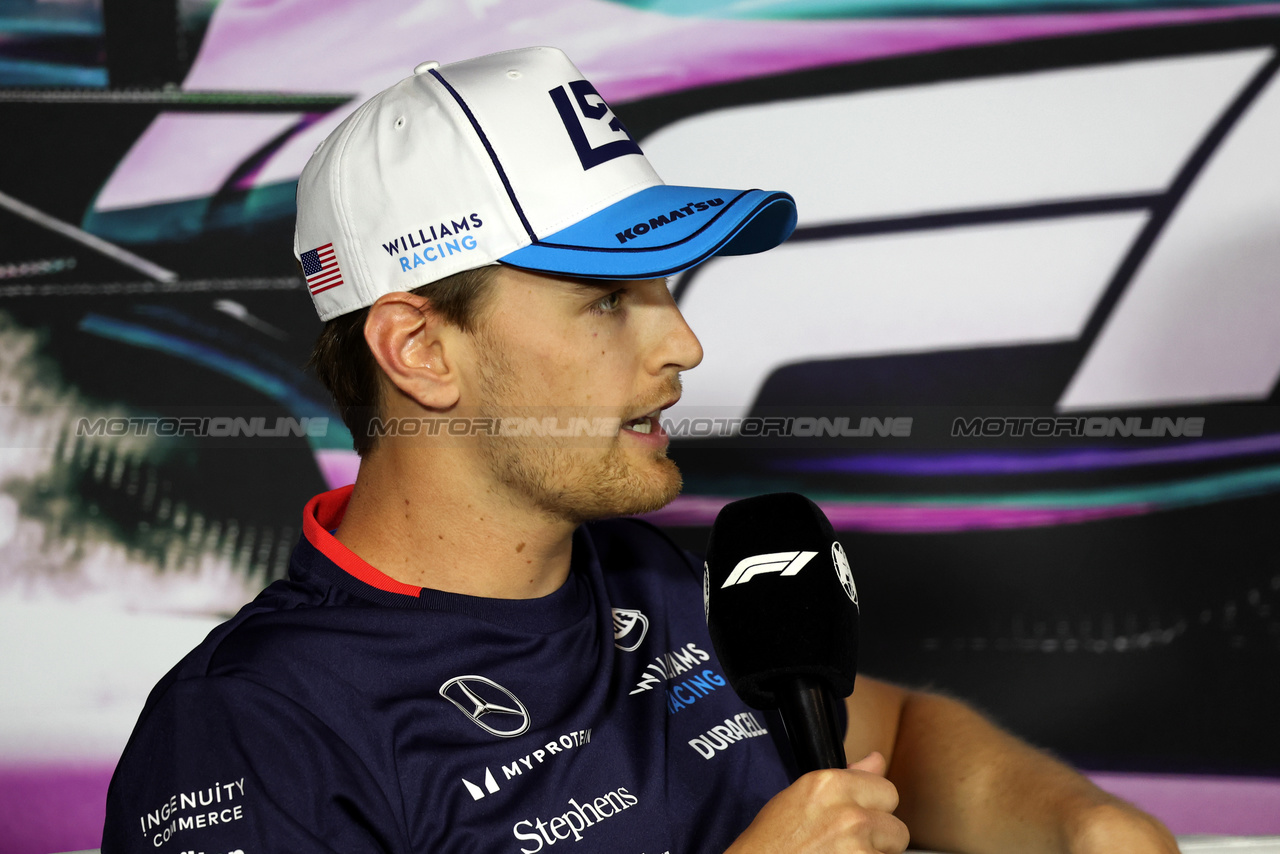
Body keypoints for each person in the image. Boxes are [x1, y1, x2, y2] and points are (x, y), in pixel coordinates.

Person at [103, 47, 1178, 854]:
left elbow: (897, 737)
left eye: (667, 291)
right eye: (607, 299)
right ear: (420, 348)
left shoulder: (661, 578)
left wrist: (1082, 825)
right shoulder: (248, 729)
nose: (683, 343)